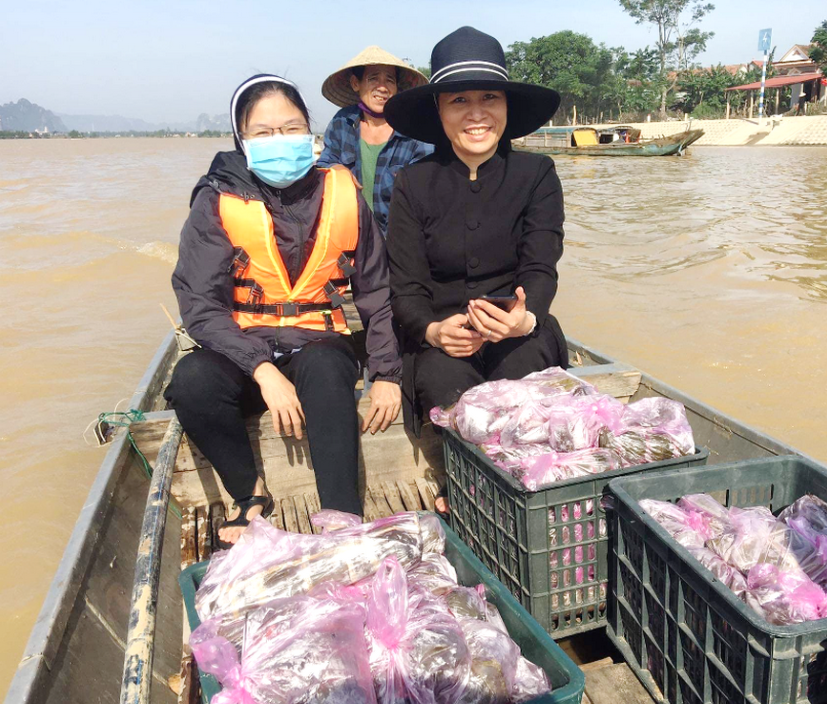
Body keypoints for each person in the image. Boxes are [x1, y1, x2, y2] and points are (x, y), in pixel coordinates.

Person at [165, 74, 401, 547]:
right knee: (191, 381)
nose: (281, 141)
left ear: (310, 131)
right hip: (243, 352)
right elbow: (200, 306)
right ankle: (250, 495)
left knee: (327, 367)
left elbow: (376, 292)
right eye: (264, 133)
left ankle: (342, 515)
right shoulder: (217, 199)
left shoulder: (341, 191)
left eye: (292, 128)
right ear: (242, 139)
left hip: (318, 342)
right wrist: (262, 370)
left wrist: (388, 373)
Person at [383, 26, 568, 436]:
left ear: (506, 106)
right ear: (438, 110)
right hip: (444, 332)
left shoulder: (537, 174)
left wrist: (526, 317)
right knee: (448, 392)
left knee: (523, 382)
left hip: (518, 327)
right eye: (459, 100)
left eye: (489, 97)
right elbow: (407, 287)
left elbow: (541, 266)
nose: (476, 113)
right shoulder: (412, 184)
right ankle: (464, 485)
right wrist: (432, 331)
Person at [318, 47, 434, 235]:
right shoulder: (342, 123)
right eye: (373, 79)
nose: (382, 87)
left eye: (389, 80)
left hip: (400, 239)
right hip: (351, 239)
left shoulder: (414, 129)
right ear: (356, 83)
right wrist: (336, 170)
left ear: (397, 87)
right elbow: (324, 163)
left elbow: (426, 185)